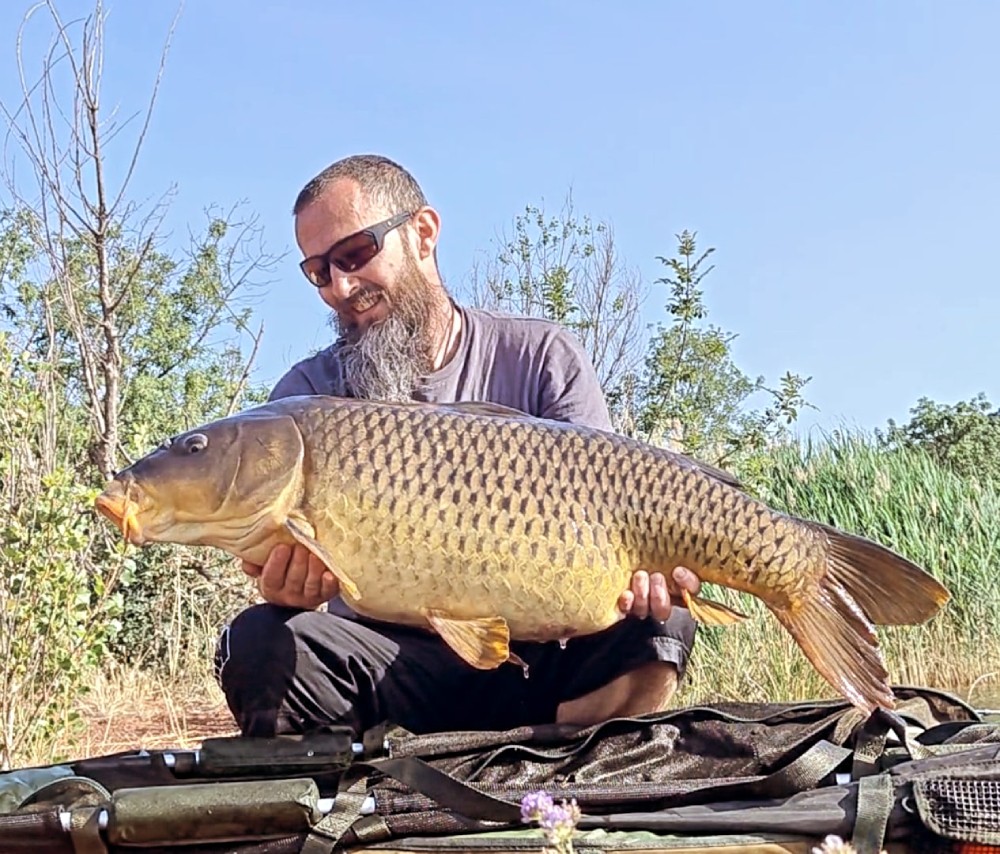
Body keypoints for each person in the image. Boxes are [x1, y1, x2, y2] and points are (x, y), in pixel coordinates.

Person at [214, 154, 701, 739]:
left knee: (661, 620)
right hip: (392, 664)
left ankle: (558, 762)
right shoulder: (307, 398)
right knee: (261, 640)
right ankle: (393, 769)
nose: (340, 287)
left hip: (543, 661)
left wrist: (644, 580)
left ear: (422, 233)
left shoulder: (542, 356)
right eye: (318, 272)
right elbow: (279, 579)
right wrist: (288, 593)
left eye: (354, 254)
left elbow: (614, 510)